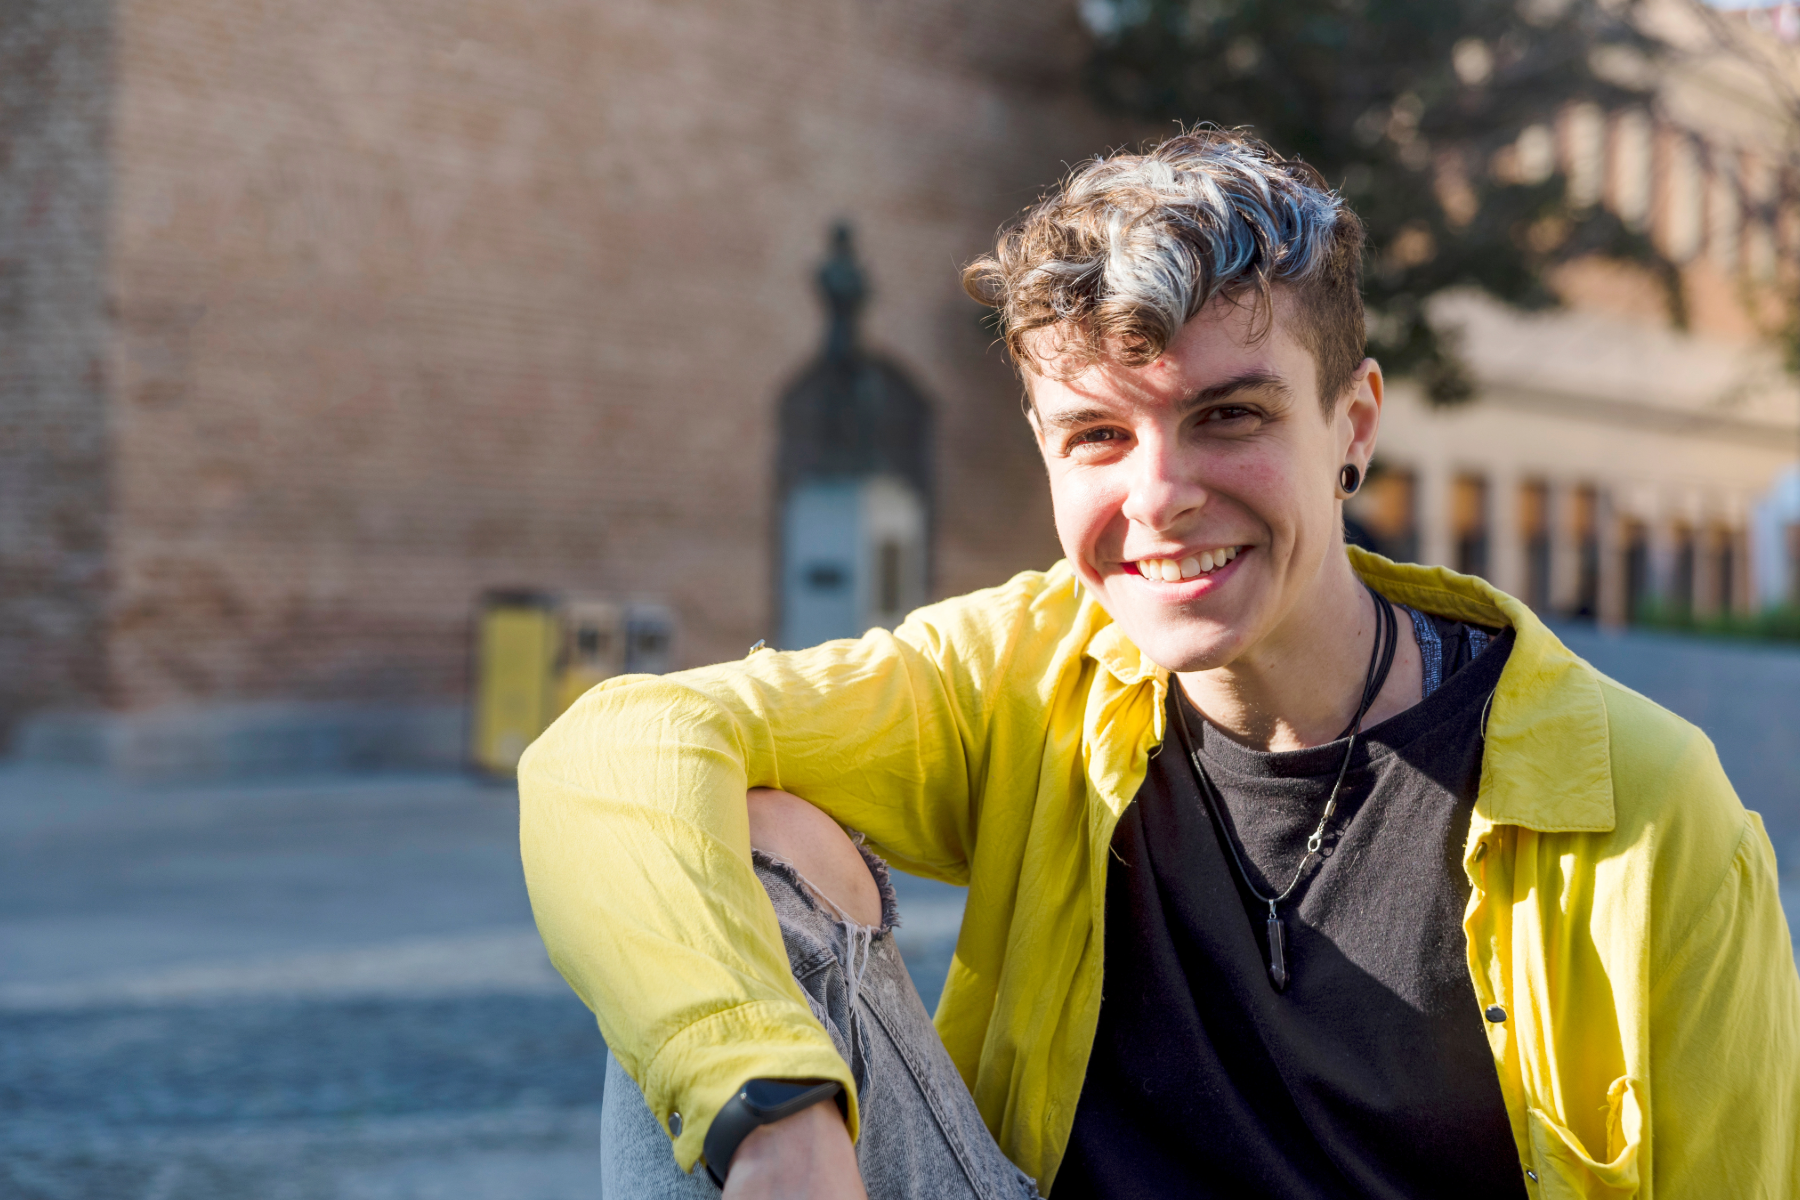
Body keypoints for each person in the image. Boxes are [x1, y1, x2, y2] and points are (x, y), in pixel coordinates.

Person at [520, 130, 1800, 1199]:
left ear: (1351, 424)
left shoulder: (1641, 806)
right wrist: (774, 1111)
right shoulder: (1025, 676)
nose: (1162, 495)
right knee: (742, 848)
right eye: (1096, 435)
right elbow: (610, 751)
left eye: (1227, 416)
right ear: (1042, 445)